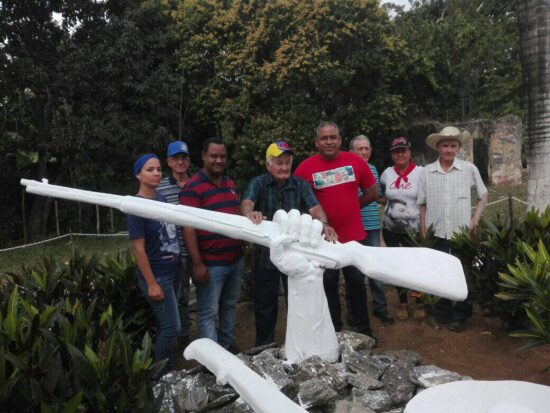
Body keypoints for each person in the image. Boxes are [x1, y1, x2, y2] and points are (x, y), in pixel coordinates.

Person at [241, 140, 337, 347]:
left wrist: (324, 224)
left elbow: (315, 208)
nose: (284, 167)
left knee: (298, 299)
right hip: (265, 256)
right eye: (279, 163)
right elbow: (247, 202)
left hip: (294, 256)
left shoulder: (300, 184)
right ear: (268, 165)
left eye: (287, 162)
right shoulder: (258, 183)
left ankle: (302, 344)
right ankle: (263, 347)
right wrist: (250, 213)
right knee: (265, 304)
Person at [294, 121, 378, 339]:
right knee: (328, 286)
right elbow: (298, 201)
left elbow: (371, 191)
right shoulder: (305, 168)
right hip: (322, 241)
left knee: (357, 285)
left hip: (354, 238)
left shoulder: (355, 162)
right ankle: (334, 332)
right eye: (324, 138)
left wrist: (352, 208)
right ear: (317, 142)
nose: (329, 141)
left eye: (333, 137)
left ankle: (364, 330)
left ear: (340, 140)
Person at [418, 126, 488, 332]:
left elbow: (483, 195)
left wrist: (475, 218)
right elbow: (422, 204)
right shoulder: (427, 172)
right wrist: (424, 231)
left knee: (463, 272)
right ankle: (443, 312)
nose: (449, 149)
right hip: (437, 231)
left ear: (458, 148)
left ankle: (461, 314)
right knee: (441, 273)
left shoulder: (469, 169)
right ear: (438, 148)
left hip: (461, 233)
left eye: (453, 145)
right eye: (445, 145)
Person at [179, 137, 243, 352]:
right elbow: (188, 227)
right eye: (213, 156)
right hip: (210, 263)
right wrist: (197, 264)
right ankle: (211, 358)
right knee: (207, 311)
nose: (218, 160)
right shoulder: (193, 188)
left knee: (229, 306)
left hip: (234, 259)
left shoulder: (230, 184)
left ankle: (227, 345)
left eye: (222, 156)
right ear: (204, 156)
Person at [127, 154, 181, 378]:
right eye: (150, 170)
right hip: (158, 276)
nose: (157, 173)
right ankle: (158, 377)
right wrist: (151, 283)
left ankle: (166, 369)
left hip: (174, 271)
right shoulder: (135, 205)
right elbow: (138, 248)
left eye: (159, 169)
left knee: (168, 326)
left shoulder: (161, 199)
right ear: (138, 174)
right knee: (172, 328)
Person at [349, 135, 394, 325]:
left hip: (373, 225)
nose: (364, 152)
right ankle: (353, 310)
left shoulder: (374, 170)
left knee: (375, 269)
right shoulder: (347, 170)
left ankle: (380, 307)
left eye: (367, 148)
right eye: (360, 149)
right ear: (352, 151)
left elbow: (380, 196)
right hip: (352, 226)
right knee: (353, 271)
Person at [380, 136, 424, 320]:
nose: (400, 154)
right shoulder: (386, 174)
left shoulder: (421, 172)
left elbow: (425, 201)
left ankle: (419, 302)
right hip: (390, 230)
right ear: (392, 154)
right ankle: (403, 303)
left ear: (409, 152)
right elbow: (382, 196)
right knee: (397, 266)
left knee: (416, 266)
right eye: (396, 151)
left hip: (414, 230)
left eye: (403, 150)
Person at [157, 140, 192, 343]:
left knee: (202, 292)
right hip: (172, 250)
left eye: (183, 158)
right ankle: (181, 334)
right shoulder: (159, 187)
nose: (180, 162)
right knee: (179, 294)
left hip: (197, 248)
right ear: (168, 162)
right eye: (176, 158)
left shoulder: (197, 183)